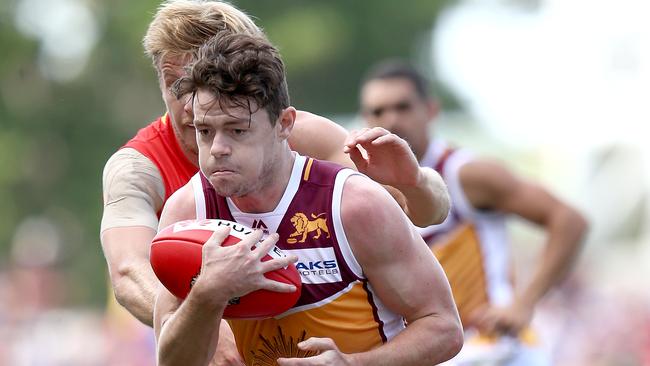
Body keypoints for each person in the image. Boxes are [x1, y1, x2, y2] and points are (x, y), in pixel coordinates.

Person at [100, 0, 449, 329]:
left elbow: (420, 211)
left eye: (208, 82)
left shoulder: (299, 134)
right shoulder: (137, 167)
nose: (191, 105)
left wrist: (415, 181)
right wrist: (203, 319)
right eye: (176, 83)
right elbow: (130, 273)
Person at [154, 32, 463, 366]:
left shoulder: (351, 204)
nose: (217, 149)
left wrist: (353, 364)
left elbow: (443, 327)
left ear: (284, 124)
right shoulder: (188, 213)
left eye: (237, 130)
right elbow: (172, 362)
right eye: (205, 131)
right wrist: (207, 294)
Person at [359, 60, 588, 365]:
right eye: (378, 111)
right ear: (365, 119)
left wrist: (524, 303)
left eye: (403, 107)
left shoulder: (465, 174)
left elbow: (570, 221)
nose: (392, 120)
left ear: (431, 110)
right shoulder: (363, 189)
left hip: (497, 351)